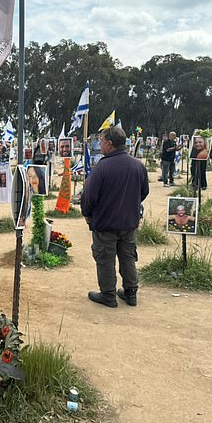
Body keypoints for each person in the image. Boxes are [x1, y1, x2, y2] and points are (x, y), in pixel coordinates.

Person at [81, 127, 149, 308]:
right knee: (128, 257)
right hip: (129, 223)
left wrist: (87, 215)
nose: (100, 145)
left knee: (105, 259)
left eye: (101, 141)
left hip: (105, 224)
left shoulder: (102, 167)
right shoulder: (138, 165)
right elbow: (144, 192)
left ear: (109, 143)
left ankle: (108, 295)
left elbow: (88, 197)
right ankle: (131, 293)